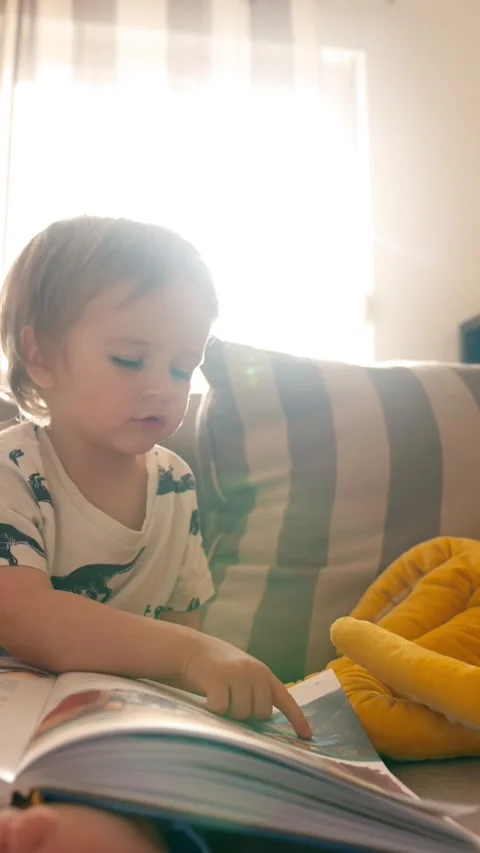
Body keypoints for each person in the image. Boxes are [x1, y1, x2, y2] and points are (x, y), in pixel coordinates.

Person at [0, 216, 311, 852]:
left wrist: (207, 695)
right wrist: (193, 657)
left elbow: (182, 620)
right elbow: (27, 617)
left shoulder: (175, 481)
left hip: (108, 745)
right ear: (40, 356)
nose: (161, 387)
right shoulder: (13, 469)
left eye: (182, 366)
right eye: (129, 359)